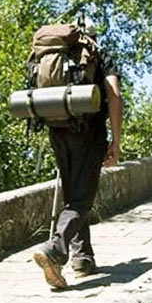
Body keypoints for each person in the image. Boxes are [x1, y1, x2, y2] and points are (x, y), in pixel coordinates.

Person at [33, 22, 123, 289]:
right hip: (88, 132)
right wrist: (116, 141)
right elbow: (114, 95)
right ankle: (55, 249)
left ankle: (82, 258)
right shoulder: (99, 54)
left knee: (74, 194)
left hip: (57, 128)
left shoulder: (53, 56)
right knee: (83, 198)